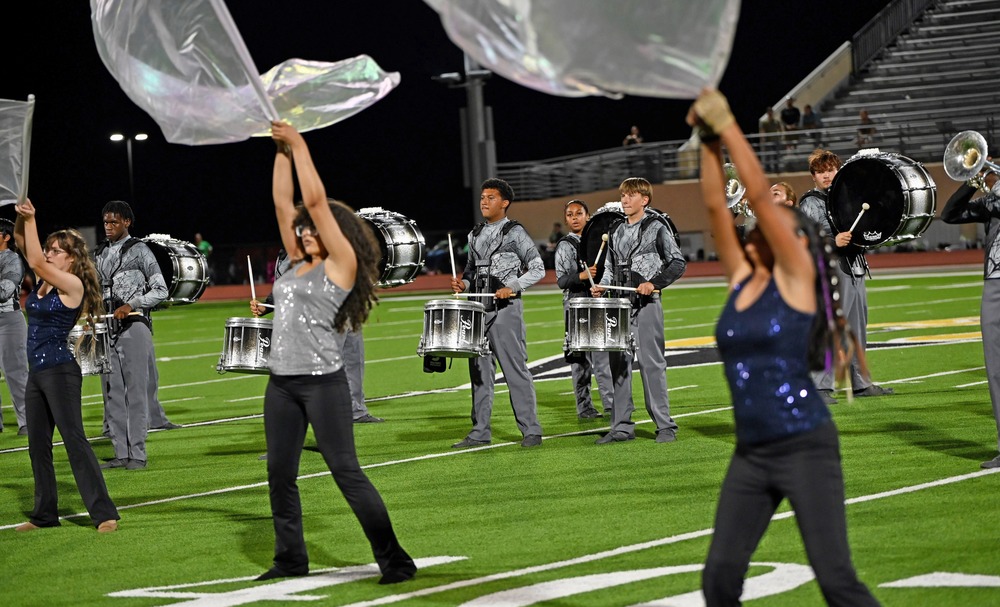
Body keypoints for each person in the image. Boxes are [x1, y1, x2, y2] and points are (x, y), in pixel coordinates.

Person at [687, 88, 881, 607]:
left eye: (772, 223)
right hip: (751, 453)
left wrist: (730, 127)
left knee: (837, 581)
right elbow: (714, 204)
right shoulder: (744, 277)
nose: (759, 225)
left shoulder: (797, 279)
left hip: (805, 447)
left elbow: (755, 195)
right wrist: (708, 141)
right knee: (719, 579)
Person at [257, 120, 415, 584]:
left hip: (323, 382)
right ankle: (290, 558)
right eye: (300, 231)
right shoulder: (297, 262)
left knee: (345, 471)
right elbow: (283, 203)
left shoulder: (341, 265)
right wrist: (280, 152)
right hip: (281, 383)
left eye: (311, 229)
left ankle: (395, 559)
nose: (303, 233)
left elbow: (316, 202)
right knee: (279, 473)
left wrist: (301, 144)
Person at [12, 199, 119, 533]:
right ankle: (45, 514)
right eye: (48, 248)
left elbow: (31, 257)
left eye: (56, 250)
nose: (48, 253)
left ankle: (104, 513)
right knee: (37, 445)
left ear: (72, 259)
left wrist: (32, 218)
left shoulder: (73, 286)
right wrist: (21, 219)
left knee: (74, 440)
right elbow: (21, 243)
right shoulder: (43, 282)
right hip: (37, 373)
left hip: (60, 371)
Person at [450, 177, 545, 448]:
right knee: (479, 374)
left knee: (515, 371)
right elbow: (471, 271)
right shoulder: (475, 233)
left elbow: (537, 268)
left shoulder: (515, 232)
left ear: (505, 203)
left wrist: (513, 286)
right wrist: (463, 284)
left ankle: (531, 430)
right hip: (478, 311)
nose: (484, 201)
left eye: (491, 197)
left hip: (505, 311)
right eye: (482, 197)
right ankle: (480, 431)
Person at [590, 177, 687, 444]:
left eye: (631, 195)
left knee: (651, 365)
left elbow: (677, 263)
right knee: (618, 366)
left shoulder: (657, 227)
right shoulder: (615, 230)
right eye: (623, 195)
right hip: (618, 307)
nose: (624, 199)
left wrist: (653, 284)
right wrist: (602, 286)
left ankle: (665, 426)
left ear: (644, 200)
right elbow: (609, 269)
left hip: (646, 306)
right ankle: (621, 427)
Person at [798, 150, 893, 403]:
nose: (826, 175)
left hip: (854, 266)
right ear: (813, 177)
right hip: (830, 268)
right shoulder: (812, 202)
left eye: (830, 169)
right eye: (820, 172)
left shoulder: (847, 197)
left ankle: (861, 383)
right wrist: (833, 240)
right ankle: (819, 387)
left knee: (857, 329)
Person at [253, 250, 383, 424]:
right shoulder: (297, 246)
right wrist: (268, 305)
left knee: (353, 359)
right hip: (323, 311)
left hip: (346, 303)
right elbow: (288, 280)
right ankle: (310, 418)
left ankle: (355, 409)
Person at [95, 201, 176, 471]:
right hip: (107, 330)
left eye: (114, 222)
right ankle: (120, 453)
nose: (108, 227)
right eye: (106, 222)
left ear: (127, 222)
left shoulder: (140, 250)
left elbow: (161, 290)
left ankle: (138, 455)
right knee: (112, 394)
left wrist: (132, 304)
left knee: (137, 394)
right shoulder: (99, 254)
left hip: (134, 327)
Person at [940, 167, 1000, 469]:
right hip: (995, 283)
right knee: (997, 369)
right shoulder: (992, 201)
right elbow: (950, 214)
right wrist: (972, 183)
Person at [554, 200, 614, 419]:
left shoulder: (599, 241)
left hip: (596, 299)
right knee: (580, 358)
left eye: (579, 213)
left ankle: (611, 403)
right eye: (570, 215)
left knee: (603, 353)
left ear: (588, 217)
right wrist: (582, 275)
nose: (574, 217)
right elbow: (561, 281)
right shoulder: (565, 245)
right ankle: (585, 407)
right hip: (576, 302)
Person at [0, 218, 30, 436]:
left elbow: (4, 291)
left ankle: (27, 421)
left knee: (16, 372)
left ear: (6, 236)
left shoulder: (12, 259)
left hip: (8, 321)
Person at [757, 107, 782, 173]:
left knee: (775, 155)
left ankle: (776, 168)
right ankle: (768, 169)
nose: (770, 113)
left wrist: (780, 137)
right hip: (768, 141)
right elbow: (762, 131)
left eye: (771, 111)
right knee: (768, 155)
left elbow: (780, 129)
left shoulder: (776, 122)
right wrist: (763, 138)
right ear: (767, 113)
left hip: (775, 140)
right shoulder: (764, 122)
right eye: (769, 112)